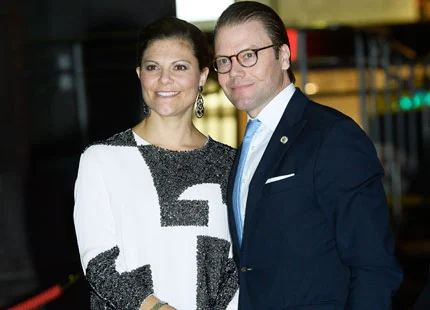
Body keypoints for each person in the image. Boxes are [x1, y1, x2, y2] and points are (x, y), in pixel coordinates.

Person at [213, 2, 403, 309]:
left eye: (248, 56)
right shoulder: (247, 145)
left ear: (284, 56)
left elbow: (374, 266)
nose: (235, 71)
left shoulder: (332, 135)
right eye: (224, 60)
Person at [73, 16, 239, 310]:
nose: (165, 80)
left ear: (202, 75)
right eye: (153, 68)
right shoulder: (101, 160)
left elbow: (239, 262)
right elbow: (99, 265)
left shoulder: (232, 164)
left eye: (179, 67)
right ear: (139, 74)